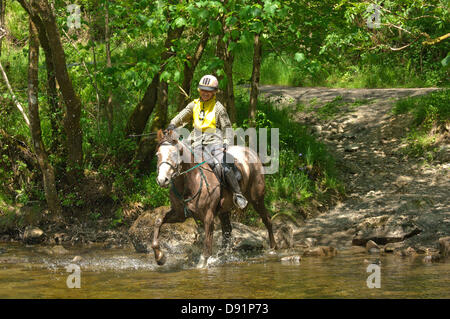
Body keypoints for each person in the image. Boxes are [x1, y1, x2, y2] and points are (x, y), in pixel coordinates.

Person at [166, 74, 248, 209]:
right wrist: (172, 124)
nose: (205, 93)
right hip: (195, 143)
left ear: (214, 92)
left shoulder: (219, 107)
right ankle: (181, 197)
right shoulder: (194, 105)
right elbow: (181, 116)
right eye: (203, 90)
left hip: (214, 142)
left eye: (208, 91)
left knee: (223, 165)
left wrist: (226, 144)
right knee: (178, 161)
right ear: (199, 90)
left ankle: (237, 194)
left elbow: (227, 127)